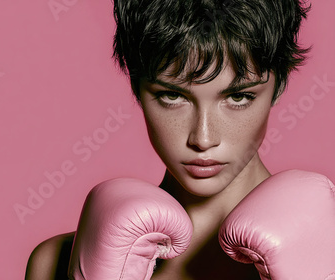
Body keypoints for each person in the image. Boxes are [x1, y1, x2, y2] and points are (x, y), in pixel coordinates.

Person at [26, 0, 310, 279]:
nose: (203, 138)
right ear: (136, 87)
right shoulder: (54, 265)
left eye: (238, 97)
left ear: (279, 85)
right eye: (172, 96)